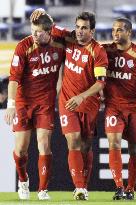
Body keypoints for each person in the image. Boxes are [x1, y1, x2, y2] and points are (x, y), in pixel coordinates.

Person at [31, 10, 108, 200]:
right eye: (78, 27)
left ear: (93, 31)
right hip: (67, 102)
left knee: (86, 147)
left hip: (88, 104)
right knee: (73, 140)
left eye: (84, 28)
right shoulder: (68, 37)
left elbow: (100, 83)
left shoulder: (98, 51)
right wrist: (42, 13)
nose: (80, 31)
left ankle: (84, 185)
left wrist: (82, 97)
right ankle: (80, 188)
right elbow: (47, 25)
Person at [4, 13, 65, 200]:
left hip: (45, 103)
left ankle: (42, 189)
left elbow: (77, 38)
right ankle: (23, 181)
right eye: (32, 31)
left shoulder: (60, 44)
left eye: (38, 32)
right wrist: (11, 104)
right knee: (21, 149)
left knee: (44, 144)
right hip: (23, 102)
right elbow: (14, 79)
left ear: (49, 32)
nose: (34, 35)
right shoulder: (23, 46)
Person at [102, 17, 136, 200]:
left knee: (134, 150)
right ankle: (119, 187)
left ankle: (131, 188)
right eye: (114, 29)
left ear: (129, 32)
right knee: (113, 143)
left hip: (135, 109)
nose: (115, 33)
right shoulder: (105, 51)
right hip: (113, 107)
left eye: (120, 30)